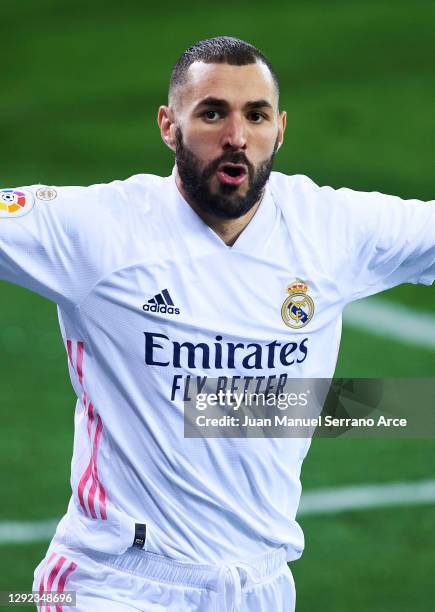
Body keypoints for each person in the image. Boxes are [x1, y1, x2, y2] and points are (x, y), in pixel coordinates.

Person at [0, 35, 434, 612]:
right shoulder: (99, 230)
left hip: (263, 585)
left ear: (279, 129)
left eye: (255, 116)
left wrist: (398, 407)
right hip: (114, 584)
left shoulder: (332, 228)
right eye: (212, 113)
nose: (236, 137)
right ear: (168, 125)